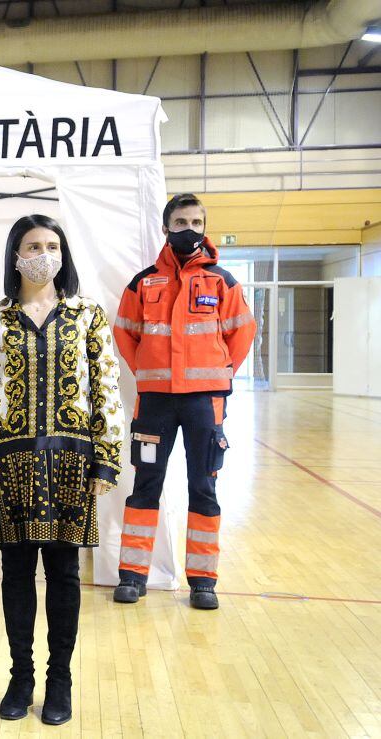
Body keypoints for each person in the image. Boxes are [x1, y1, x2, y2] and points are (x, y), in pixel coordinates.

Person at [0, 214, 124, 725]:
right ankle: (20, 677)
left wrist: (107, 457)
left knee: (64, 574)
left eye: (52, 245)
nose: (43, 254)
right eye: (33, 246)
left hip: (72, 460)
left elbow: (107, 387)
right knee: (15, 574)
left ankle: (60, 679)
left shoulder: (87, 315)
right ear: (16, 255)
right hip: (8, 462)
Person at [111, 193, 256, 610]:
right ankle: (132, 575)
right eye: (180, 222)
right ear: (165, 228)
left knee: (203, 486)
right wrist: (147, 369)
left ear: (204, 228)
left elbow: (242, 332)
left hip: (204, 403)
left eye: (196, 222)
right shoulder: (143, 283)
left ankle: (203, 581)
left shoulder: (223, 282)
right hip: (155, 402)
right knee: (145, 484)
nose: (188, 230)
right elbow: (124, 332)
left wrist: (221, 371)